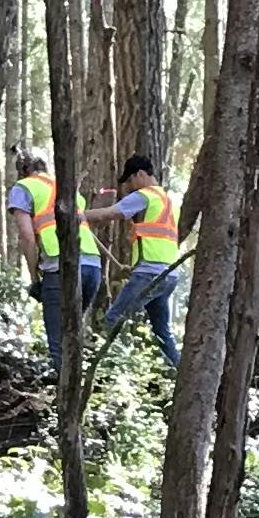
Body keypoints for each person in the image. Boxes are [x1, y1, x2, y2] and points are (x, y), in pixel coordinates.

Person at [5, 151, 98, 367]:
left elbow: (27, 236)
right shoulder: (63, 186)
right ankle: (79, 390)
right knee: (73, 335)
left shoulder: (23, 188)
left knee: (59, 341)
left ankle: (63, 395)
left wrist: (35, 278)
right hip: (93, 265)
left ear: (22, 170)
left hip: (61, 266)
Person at [92, 156, 184, 364]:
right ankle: (177, 374)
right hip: (168, 274)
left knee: (114, 319)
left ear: (140, 174)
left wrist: (80, 215)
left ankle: (119, 367)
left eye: (131, 180)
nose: (131, 186)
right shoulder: (169, 201)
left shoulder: (145, 196)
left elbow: (110, 213)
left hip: (149, 273)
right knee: (163, 333)